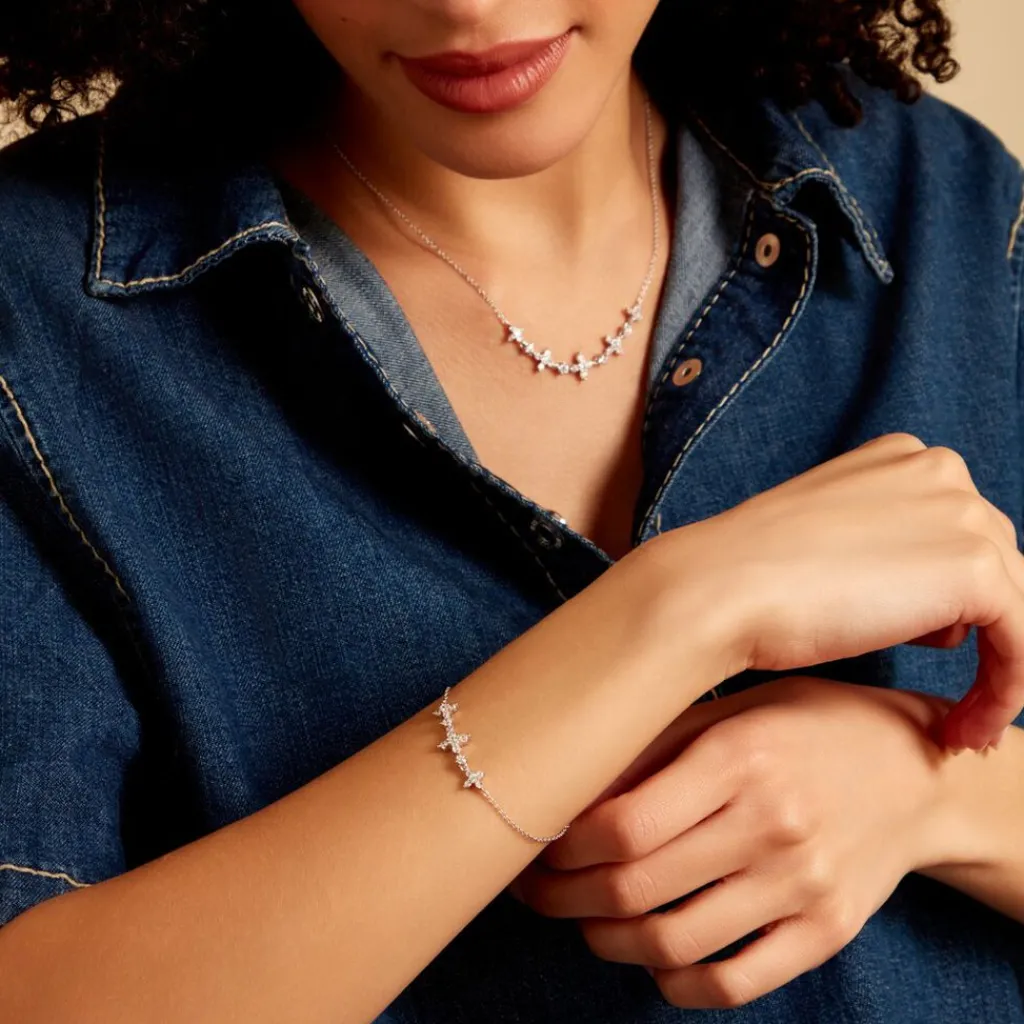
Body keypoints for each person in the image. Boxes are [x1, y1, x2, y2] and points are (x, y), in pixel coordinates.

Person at [0, 1, 1022, 1021]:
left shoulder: (944, 201)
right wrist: (675, 614)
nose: (470, 7)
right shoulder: (32, 316)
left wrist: (932, 790)